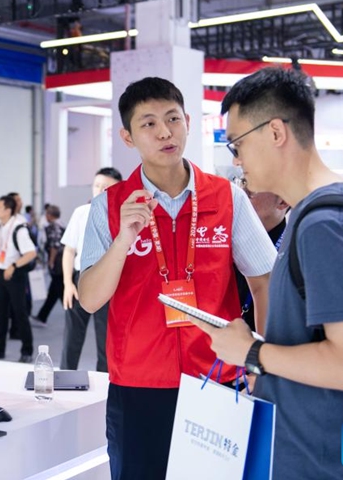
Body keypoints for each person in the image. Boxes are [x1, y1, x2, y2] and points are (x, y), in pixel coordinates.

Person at [190, 67, 343, 480]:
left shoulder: (325, 226)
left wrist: (251, 353)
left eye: (237, 144)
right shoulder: (324, 214)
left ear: (276, 133)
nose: (236, 160)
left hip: (324, 464)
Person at [77, 77, 276, 479]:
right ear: (128, 137)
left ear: (187, 121)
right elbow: (89, 299)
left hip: (216, 383)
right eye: (148, 123)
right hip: (137, 388)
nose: (164, 132)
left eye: (172, 118)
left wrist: (260, 363)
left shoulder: (226, 197)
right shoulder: (110, 206)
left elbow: (264, 281)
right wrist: (122, 241)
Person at [60, 167, 122, 372]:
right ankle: (65, 378)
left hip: (109, 281)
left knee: (106, 338)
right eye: (97, 186)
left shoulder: (123, 215)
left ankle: (106, 384)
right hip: (80, 278)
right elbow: (69, 251)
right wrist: (68, 283)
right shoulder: (81, 212)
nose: (100, 190)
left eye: (106, 187)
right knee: (71, 337)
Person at [232, 183, 288, 334]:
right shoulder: (223, 240)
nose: (241, 193)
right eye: (242, 183)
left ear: (282, 201)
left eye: (252, 192)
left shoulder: (292, 253)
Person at [0, 195, 37, 363]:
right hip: (3, 272)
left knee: (20, 313)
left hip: (15, 275)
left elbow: (31, 253)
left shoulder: (19, 227)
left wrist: (14, 266)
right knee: (1, 313)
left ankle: (27, 350)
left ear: (8, 210)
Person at [33, 204, 64, 325]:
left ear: (50, 215)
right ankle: (42, 315)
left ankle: (75, 311)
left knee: (59, 288)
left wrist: (51, 261)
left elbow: (54, 246)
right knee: (55, 290)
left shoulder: (54, 226)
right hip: (60, 263)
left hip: (58, 264)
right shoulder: (61, 224)